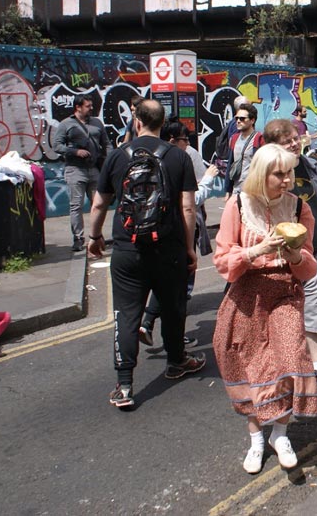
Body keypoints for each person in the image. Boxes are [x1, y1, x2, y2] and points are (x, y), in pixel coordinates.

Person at [88, 99, 205, 410]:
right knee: (173, 307)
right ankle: (176, 362)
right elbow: (188, 207)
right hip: (169, 248)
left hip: (128, 248)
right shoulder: (179, 157)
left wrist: (94, 237)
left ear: (136, 121)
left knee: (127, 314)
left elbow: (99, 204)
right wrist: (190, 247)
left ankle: (124, 385)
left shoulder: (116, 156)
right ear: (162, 122)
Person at [212, 143, 317, 473]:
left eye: (290, 172)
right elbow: (221, 260)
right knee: (249, 363)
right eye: (280, 174)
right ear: (262, 175)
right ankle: (257, 438)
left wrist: (295, 257)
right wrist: (256, 249)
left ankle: (281, 434)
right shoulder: (239, 204)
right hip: (246, 294)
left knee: (290, 357)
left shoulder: (299, 208)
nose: (288, 180)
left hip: (284, 292)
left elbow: (310, 267)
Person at [265, 120, 317, 395]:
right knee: (280, 312)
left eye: (296, 138)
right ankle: (281, 370)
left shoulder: (314, 168)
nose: (295, 144)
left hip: (314, 251)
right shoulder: (265, 174)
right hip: (278, 258)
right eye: (287, 141)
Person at [138, 122, 217, 347]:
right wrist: (209, 178)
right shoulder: (179, 160)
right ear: (173, 139)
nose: (188, 144)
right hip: (178, 232)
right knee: (179, 289)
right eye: (185, 140)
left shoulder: (145, 155)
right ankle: (176, 347)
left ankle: (148, 322)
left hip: (153, 231)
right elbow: (190, 203)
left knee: (164, 284)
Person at [54, 95, 112, 252]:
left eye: (91, 105)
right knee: (76, 205)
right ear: (78, 107)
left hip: (94, 169)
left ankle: (97, 235)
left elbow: (106, 144)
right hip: (75, 169)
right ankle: (78, 238)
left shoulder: (96, 123)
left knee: (98, 204)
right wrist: (75, 151)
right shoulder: (66, 124)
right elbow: (57, 146)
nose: (91, 108)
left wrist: (109, 161)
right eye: (87, 106)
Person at [223, 103, 264, 197]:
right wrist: (228, 190)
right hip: (236, 190)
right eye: (236, 118)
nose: (238, 121)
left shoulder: (259, 139)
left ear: (252, 120)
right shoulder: (234, 138)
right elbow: (230, 164)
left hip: (253, 192)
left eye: (242, 118)